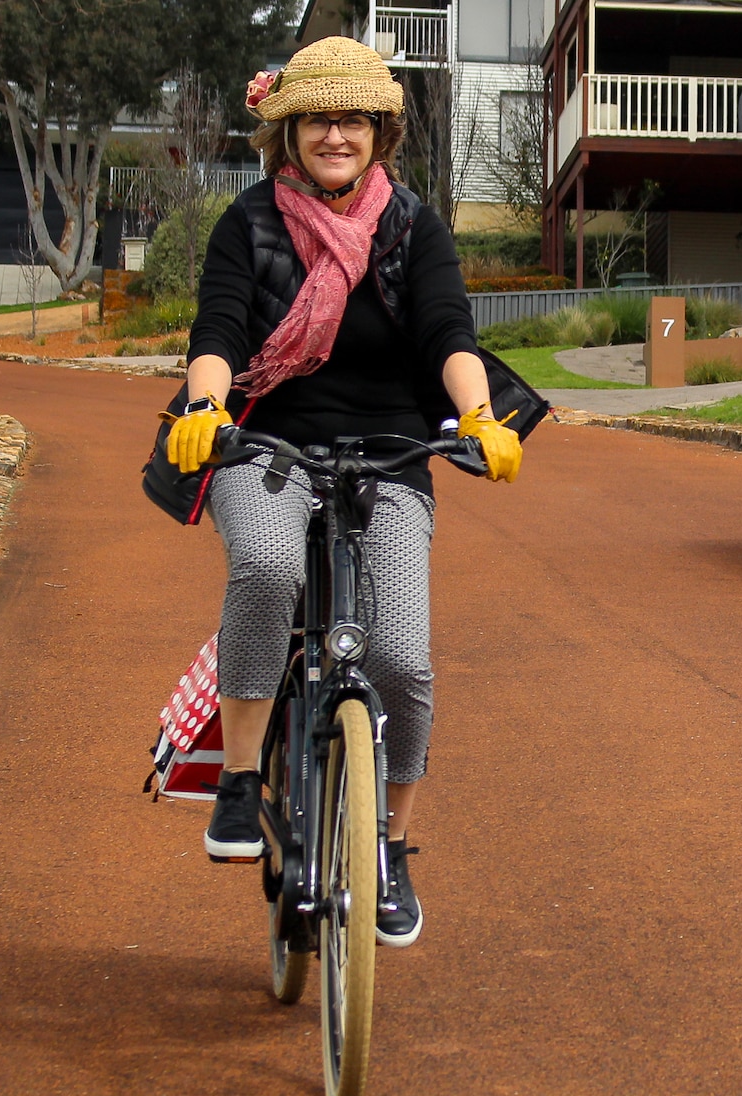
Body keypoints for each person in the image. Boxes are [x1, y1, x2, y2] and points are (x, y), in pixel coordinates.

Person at [165, 35, 522, 948]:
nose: (335, 133)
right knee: (270, 565)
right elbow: (220, 327)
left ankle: (392, 845)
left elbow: (449, 330)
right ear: (288, 130)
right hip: (266, 440)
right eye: (318, 116)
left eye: (352, 118)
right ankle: (243, 782)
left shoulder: (412, 226)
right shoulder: (248, 223)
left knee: (402, 656)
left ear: (379, 132)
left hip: (392, 453)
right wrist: (207, 401)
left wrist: (479, 420)